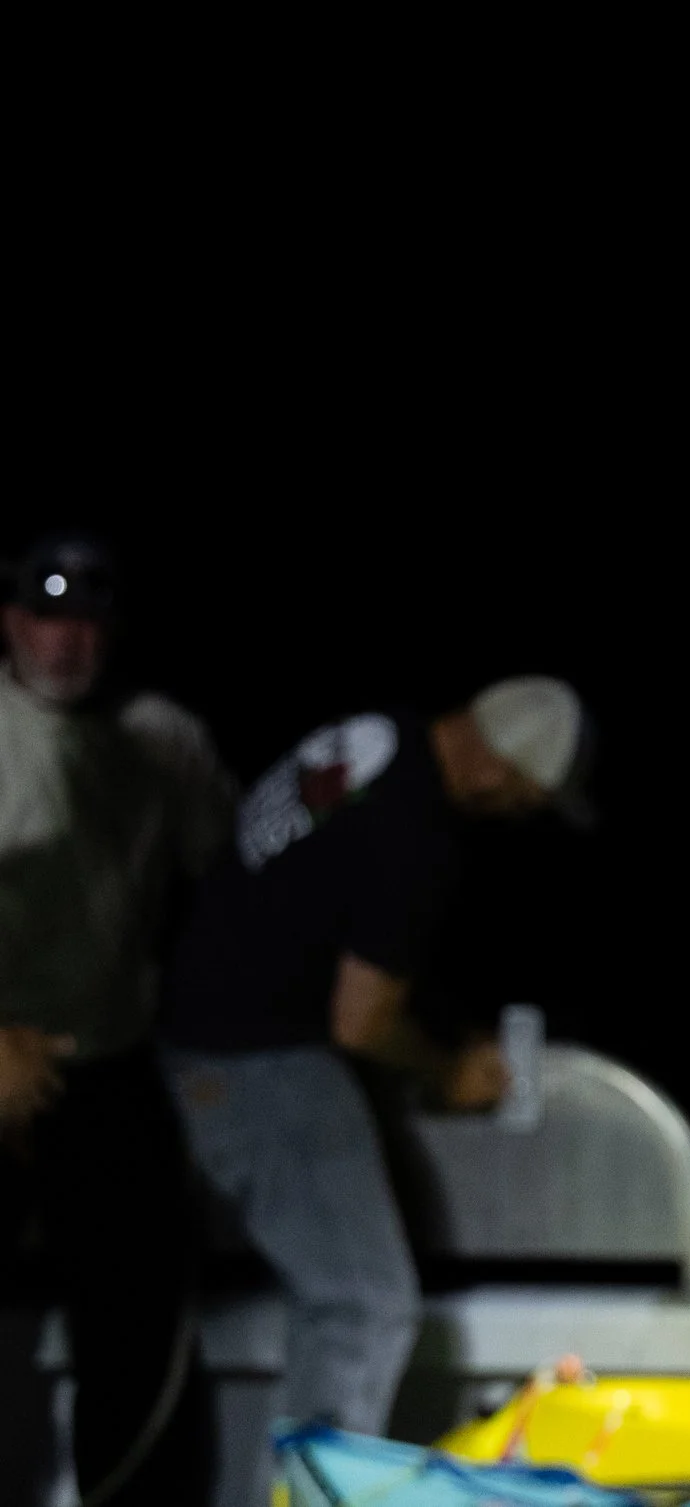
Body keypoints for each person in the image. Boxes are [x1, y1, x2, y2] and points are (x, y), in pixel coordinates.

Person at [156, 676, 592, 1446]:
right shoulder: (416, 834)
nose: (515, 818)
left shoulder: (380, 732)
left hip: (187, 1034)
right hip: (257, 1061)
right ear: (496, 769)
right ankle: (317, 1495)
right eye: (524, 801)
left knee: (327, 1295)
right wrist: (448, 1072)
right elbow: (361, 1021)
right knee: (363, 1304)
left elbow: (329, 911)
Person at [1, 534, 227, 1505]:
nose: (66, 640)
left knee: (137, 1326)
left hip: (109, 1063)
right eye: (46, 614)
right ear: (10, 620)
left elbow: (225, 884)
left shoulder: (163, 735)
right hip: (1, 1063)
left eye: (88, 618)